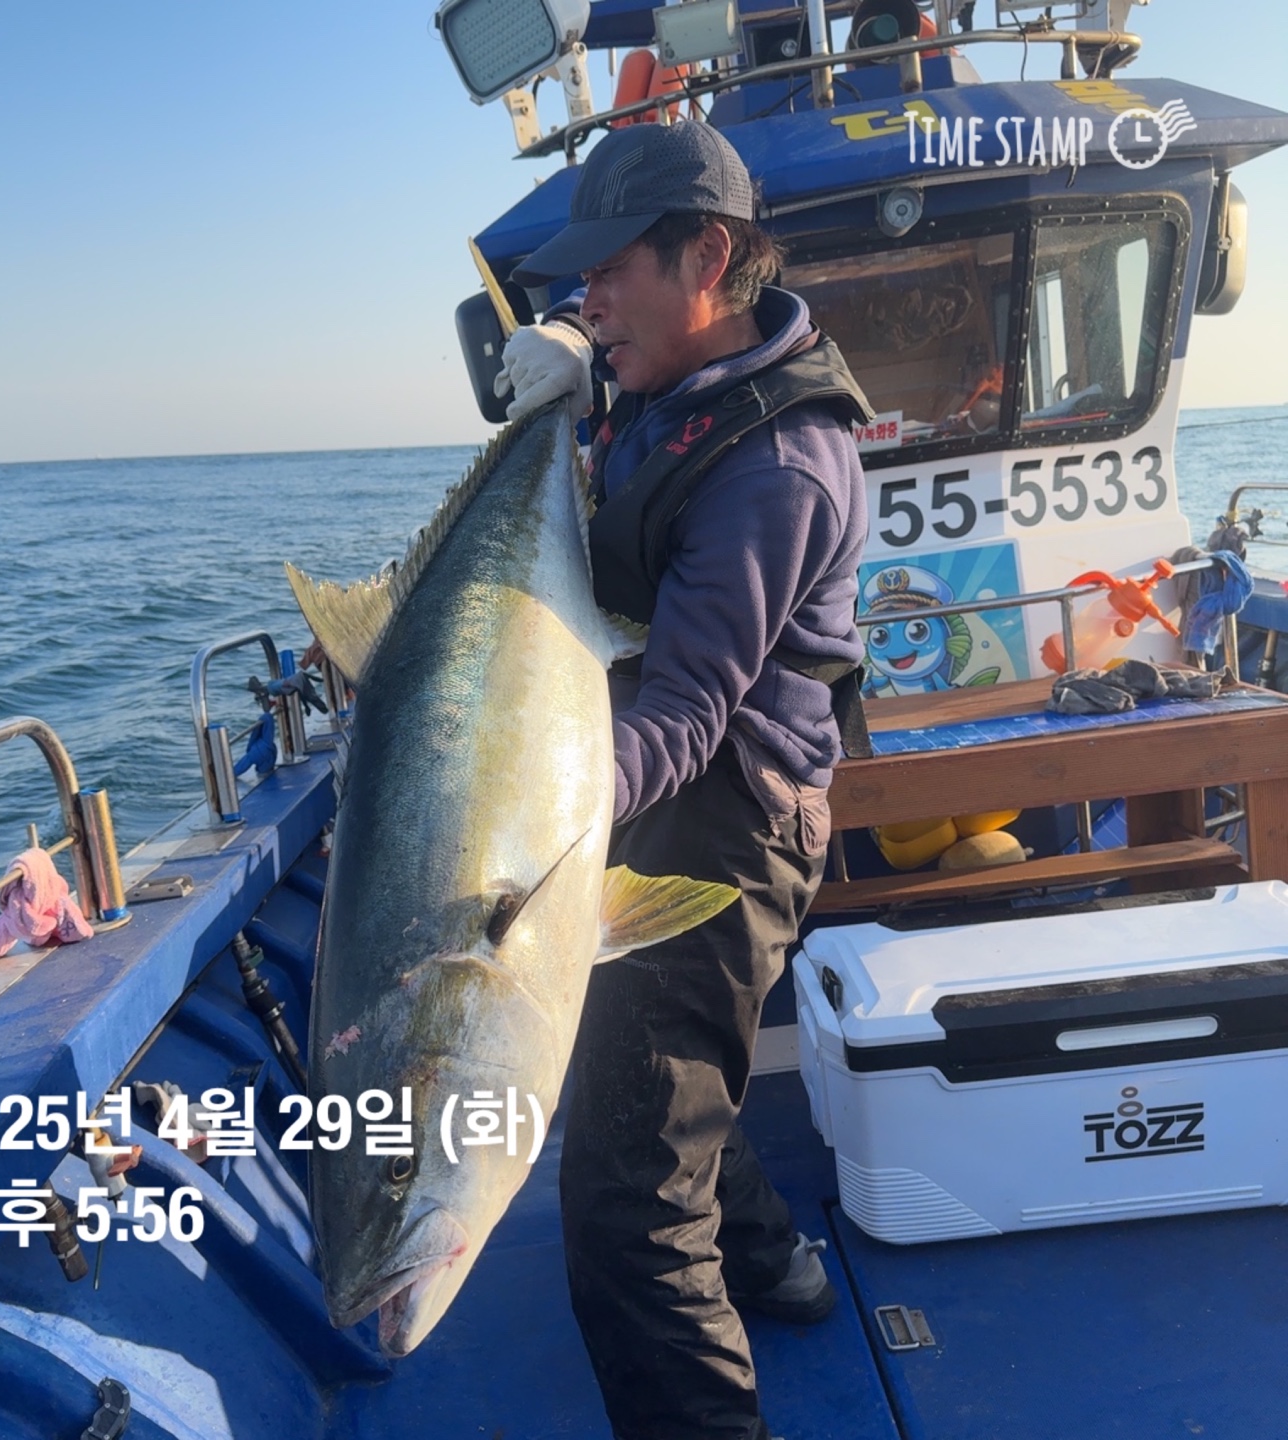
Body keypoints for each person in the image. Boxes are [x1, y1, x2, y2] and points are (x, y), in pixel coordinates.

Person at [495, 120, 874, 1440]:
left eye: (608, 272)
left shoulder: (776, 467)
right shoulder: (678, 376)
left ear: (707, 258)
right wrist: (568, 365)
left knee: (626, 1209)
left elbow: (684, 720)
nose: (586, 298)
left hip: (727, 824)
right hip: (653, 795)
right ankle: (778, 1266)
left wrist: (511, 822)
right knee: (653, 1083)